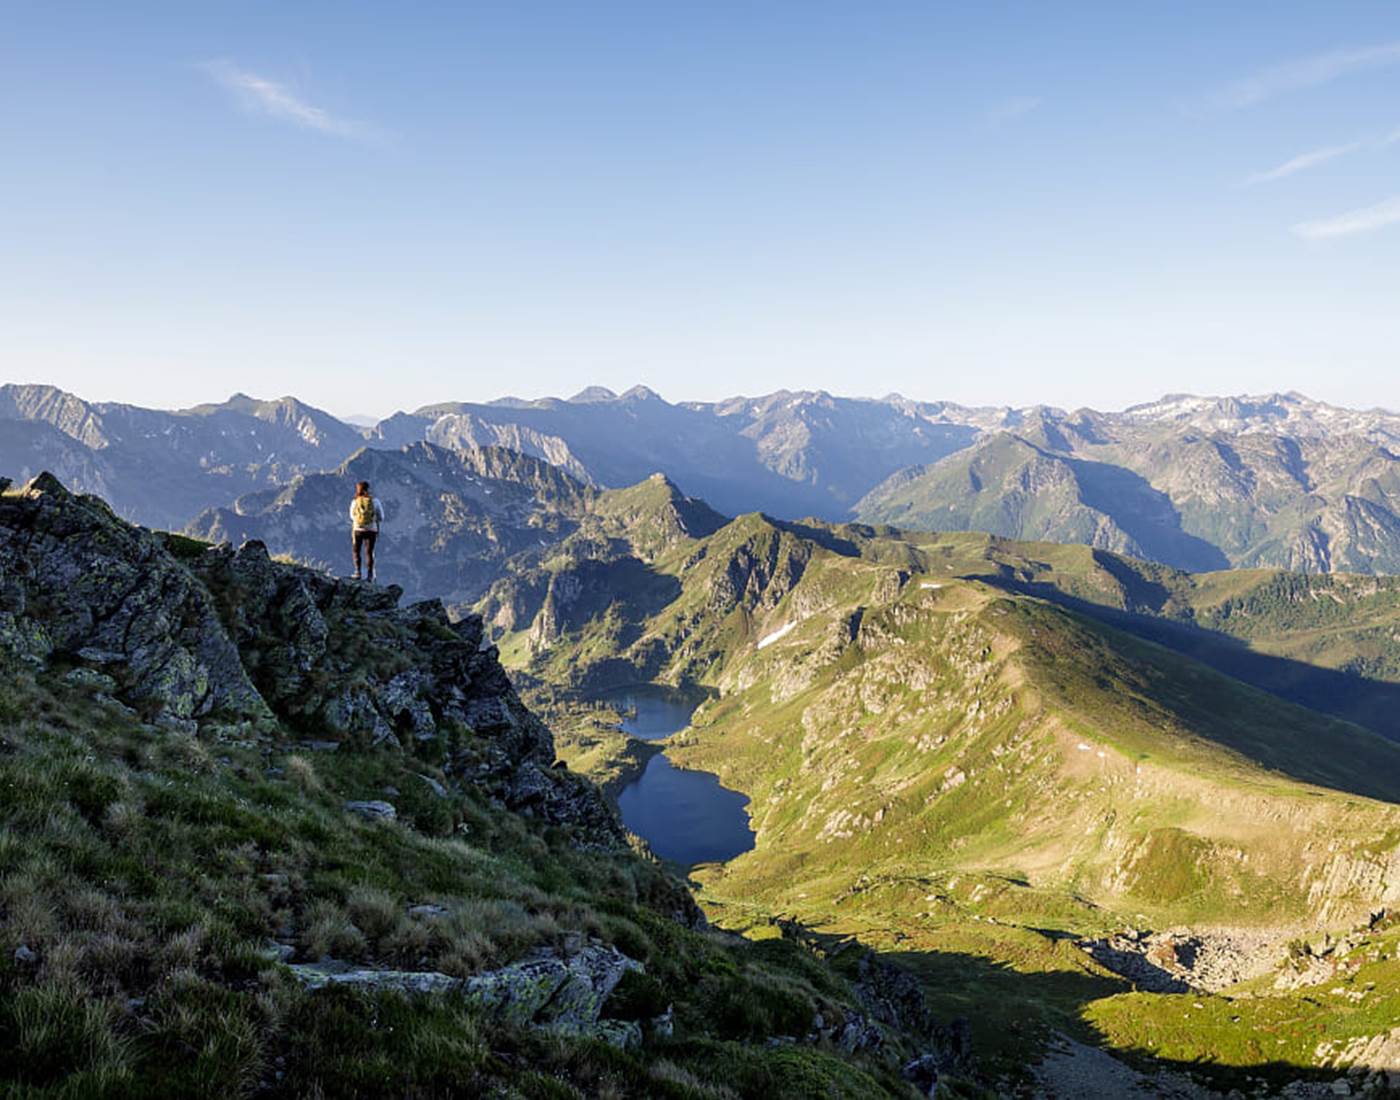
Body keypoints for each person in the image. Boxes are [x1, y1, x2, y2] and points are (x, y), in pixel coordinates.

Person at [350, 480, 385, 581]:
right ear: (368, 489)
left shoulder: (355, 501)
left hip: (358, 529)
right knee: (369, 552)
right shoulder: (375, 501)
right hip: (372, 529)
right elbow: (382, 517)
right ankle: (370, 575)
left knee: (356, 551)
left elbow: (352, 516)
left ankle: (358, 573)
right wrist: (373, 519)